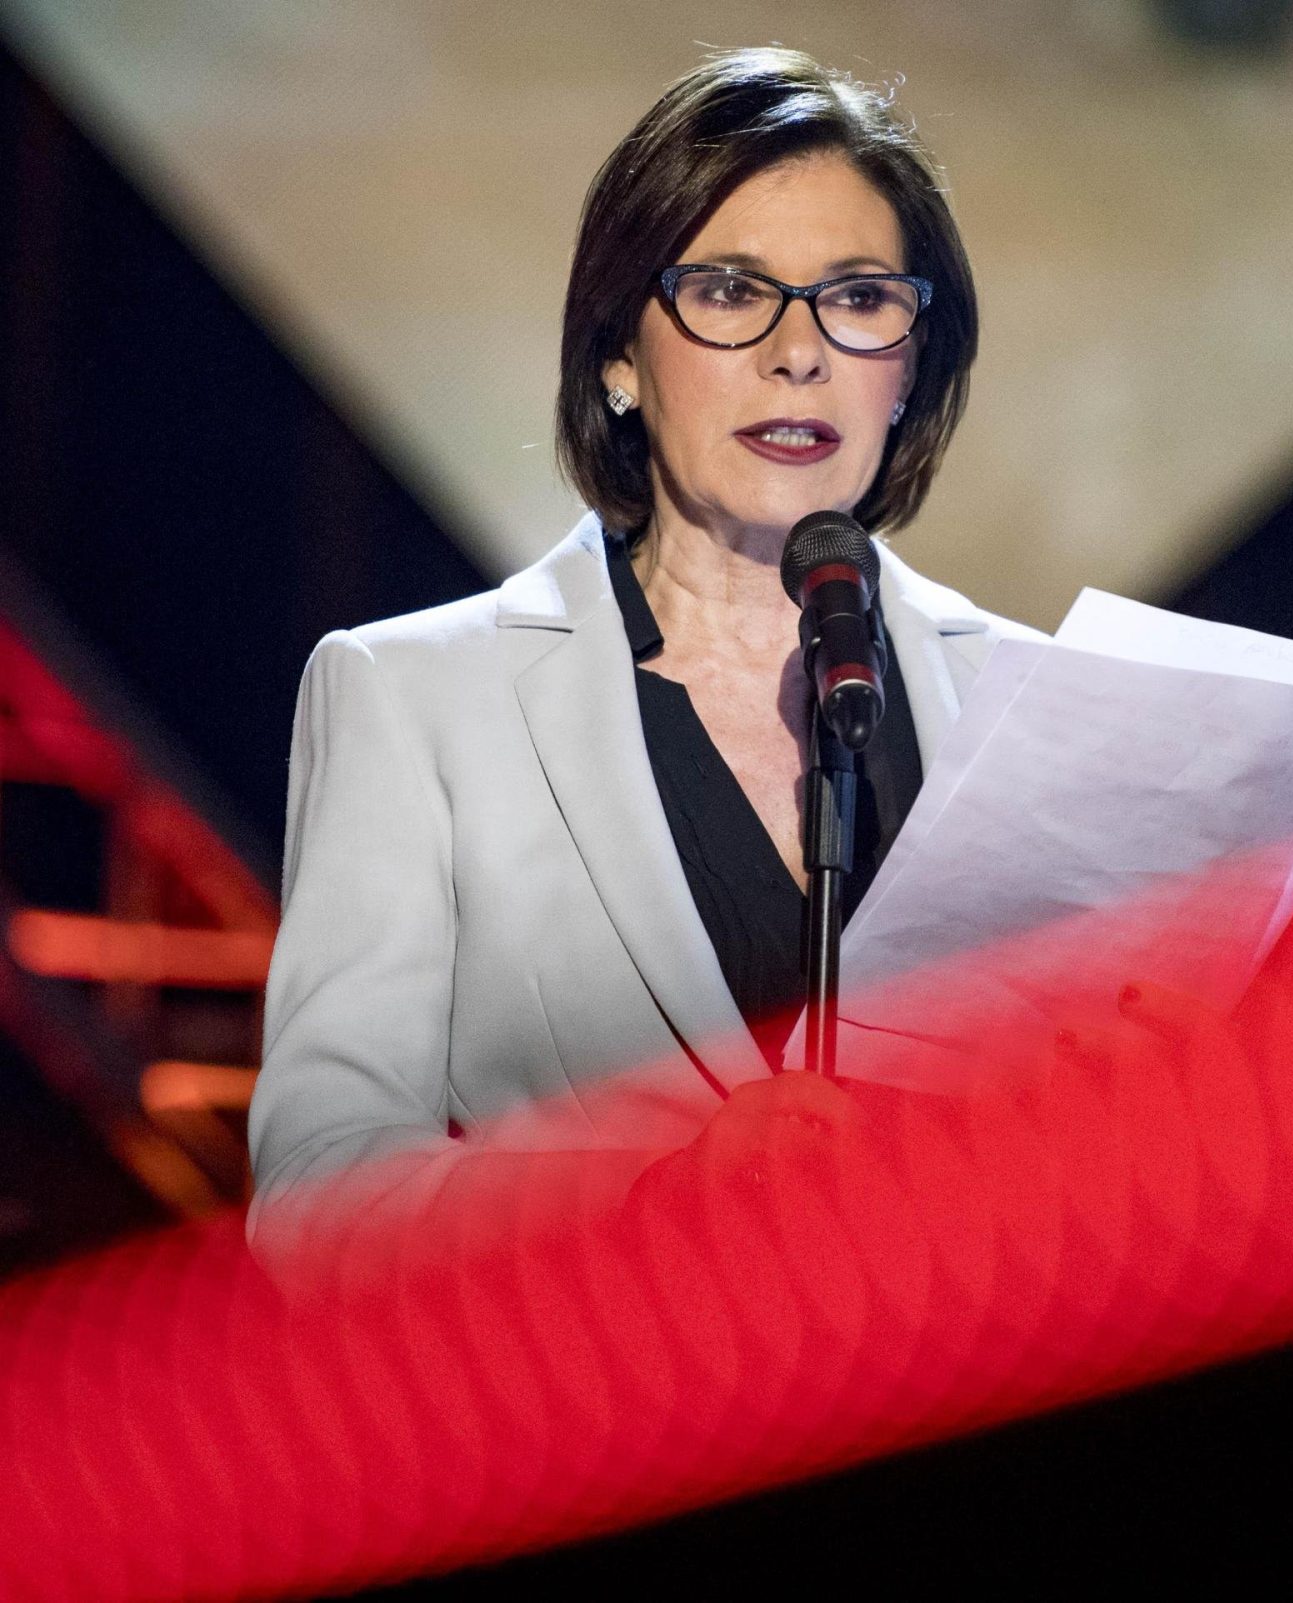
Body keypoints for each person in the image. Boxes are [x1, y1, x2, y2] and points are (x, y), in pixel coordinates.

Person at [245, 47, 1043, 1244]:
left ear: (911, 364)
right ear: (620, 351)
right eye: (729, 290)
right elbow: (317, 1199)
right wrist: (655, 1204)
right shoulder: (414, 696)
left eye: (858, 298)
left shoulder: (1033, 702)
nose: (798, 350)